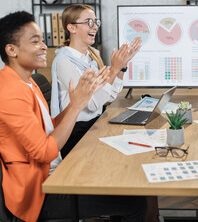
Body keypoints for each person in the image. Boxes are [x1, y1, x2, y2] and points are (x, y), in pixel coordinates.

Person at [0, 11, 147, 222]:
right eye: (35, 42)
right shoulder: (9, 91)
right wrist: (77, 104)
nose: (44, 46)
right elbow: (45, 152)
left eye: (42, 40)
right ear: (11, 50)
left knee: (128, 183)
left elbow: (47, 126)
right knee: (134, 203)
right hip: (38, 192)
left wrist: (78, 101)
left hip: (51, 173)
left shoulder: (27, 82)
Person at [51, 4, 142, 158]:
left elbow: (109, 96)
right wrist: (114, 69)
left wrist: (122, 68)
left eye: (96, 22)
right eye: (89, 22)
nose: (95, 27)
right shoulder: (64, 62)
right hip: (75, 132)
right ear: (72, 28)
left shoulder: (92, 56)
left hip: (93, 124)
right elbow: (92, 104)